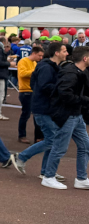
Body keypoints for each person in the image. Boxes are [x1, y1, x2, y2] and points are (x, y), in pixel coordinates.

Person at [11, 41, 69, 180]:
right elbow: (44, 86)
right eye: (64, 50)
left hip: (46, 107)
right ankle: (21, 157)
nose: (67, 53)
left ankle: (46, 170)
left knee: (52, 140)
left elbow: (36, 84)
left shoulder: (50, 66)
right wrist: (60, 89)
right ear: (57, 53)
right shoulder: (47, 67)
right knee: (52, 140)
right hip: (43, 108)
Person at [38, 45, 89, 189]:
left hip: (76, 115)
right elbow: (65, 94)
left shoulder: (79, 72)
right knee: (60, 147)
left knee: (85, 146)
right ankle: (48, 176)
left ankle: (81, 178)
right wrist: (84, 100)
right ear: (85, 58)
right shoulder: (71, 74)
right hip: (67, 115)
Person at [17, 45, 44, 143]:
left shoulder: (34, 63)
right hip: (25, 91)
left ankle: (38, 136)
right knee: (26, 114)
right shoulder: (23, 61)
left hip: (33, 90)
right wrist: (35, 72)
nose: (40, 58)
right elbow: (22, 74)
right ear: (33, 53)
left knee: (34, 114)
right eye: (39, 56)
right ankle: (21, 135)